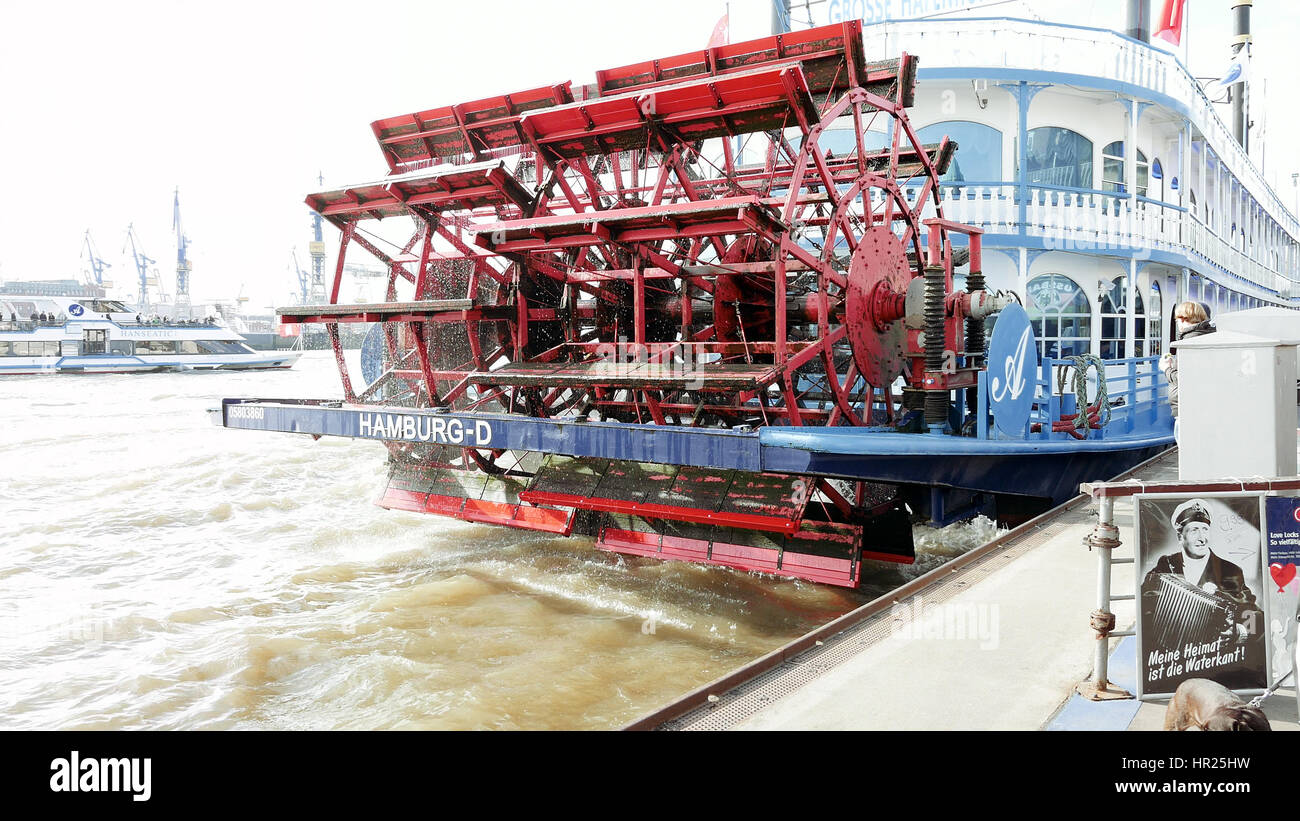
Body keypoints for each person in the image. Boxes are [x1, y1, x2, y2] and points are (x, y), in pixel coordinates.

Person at [1141, 498, 1263, 648]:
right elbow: (1144, 605)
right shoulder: (1165, 565)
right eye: (1194, 530)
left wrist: (1240, 631)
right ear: (1180, 537)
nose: (1201, 538)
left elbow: (1253, 614)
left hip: (1212, 659)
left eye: (1205, 529)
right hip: (1169, 658)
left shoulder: (1229, 570)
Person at [1158, 301, 1215, 417]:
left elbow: (1186, 379)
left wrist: (1167, 369)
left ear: (1183, 319)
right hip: (1200, 405)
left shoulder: (1190, 340)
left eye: (1177, 321)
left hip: (1187, 409)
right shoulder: (1206, 335)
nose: (1177, 324)